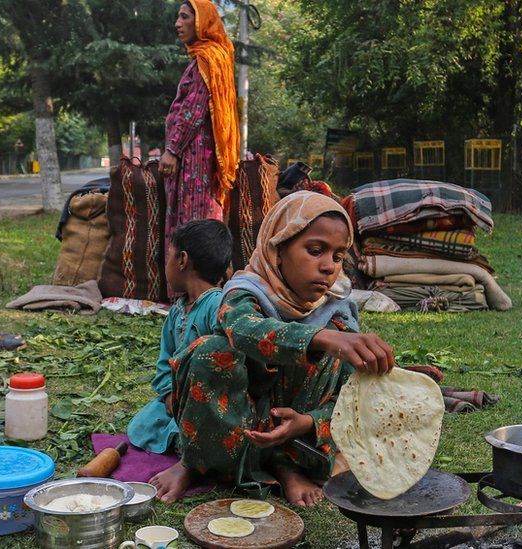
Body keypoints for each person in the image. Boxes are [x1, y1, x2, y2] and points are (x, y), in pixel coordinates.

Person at [149, 192, 396, 507]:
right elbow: (244, 330)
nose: (328, 267)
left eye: (337, 256)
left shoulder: (337, 312)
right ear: (277, 248)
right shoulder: (243, 293)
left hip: (296, 432)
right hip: (237, 430)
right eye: (315, 250)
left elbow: (351, 399)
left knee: (353, 374)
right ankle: (194, 464)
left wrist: (307, 422)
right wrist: (318, 338)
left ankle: (285, 464)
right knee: (211, 350)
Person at [127, 219, 233, 454]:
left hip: (208, 402)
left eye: (169, 257)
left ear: (182, 260)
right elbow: (165, 361)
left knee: (194, 429)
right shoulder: (176, 312)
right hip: (176, 401)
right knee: (142, 424)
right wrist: (168, 395)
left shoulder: (217, 305)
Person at [159, 0, 240, 255]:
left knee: (192, 225)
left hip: (194, 159)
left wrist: (172, 150)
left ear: (201, 21)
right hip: (197, 156)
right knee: (199, 223)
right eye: (178, 17)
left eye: (184, 17)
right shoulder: (212, 56)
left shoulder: (207, 59)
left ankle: (192, 291)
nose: (177, 23)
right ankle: (195, 288)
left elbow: (193, 110)